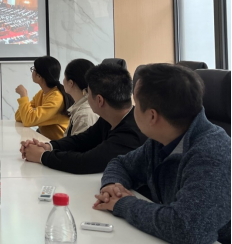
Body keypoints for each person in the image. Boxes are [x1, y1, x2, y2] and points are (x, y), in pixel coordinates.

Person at [94, 64, 231, 244]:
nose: (133, 110)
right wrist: (113, 185)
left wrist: (123, 204)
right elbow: (121, 164)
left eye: (136, 104)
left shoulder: (212, 153)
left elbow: (187, 229)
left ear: (152, 116)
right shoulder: (161, 140)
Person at [20, 63, 146, 174]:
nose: (86, 97)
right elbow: (82, 140)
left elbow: (86, 162)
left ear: (99, 100)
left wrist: (42, 156)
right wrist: (47, 146)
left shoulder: (130, 133)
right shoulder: (111, 117)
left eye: (88, 93)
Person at [15, 56, 73, 140]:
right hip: (47, 141)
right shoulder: (42, 93)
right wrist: (29, 112)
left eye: (34, 69)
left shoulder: (56, 98)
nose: (32, 72)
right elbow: (19, 117)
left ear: (39, 76)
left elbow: (28, 120)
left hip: (60, 145)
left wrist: (23, 95)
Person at [62, 59, 99, 136]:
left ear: (71, 83)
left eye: (64, 77)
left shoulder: (84, 115)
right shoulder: (80, 106)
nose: (63, 80)